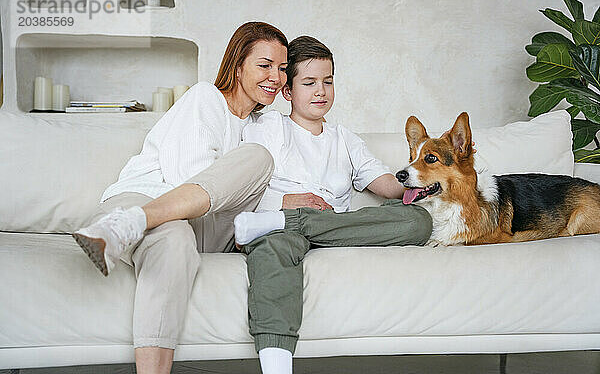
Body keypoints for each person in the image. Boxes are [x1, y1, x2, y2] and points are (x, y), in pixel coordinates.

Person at [72, 22, 288, 374]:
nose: (275, 78)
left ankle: (131, 224)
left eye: (281, 68)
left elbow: (252, 200)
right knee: (174, 242)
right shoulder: (207, 97)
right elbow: (184, 176)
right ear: (237, 65)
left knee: (258, 158)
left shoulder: (262, 128)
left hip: (195, 224)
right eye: (264, 65)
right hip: (142, 197)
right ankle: (128, 220)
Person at [234, 36, 433, 374]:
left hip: (331, 230)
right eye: (309, 83)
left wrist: (414, 183)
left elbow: (382, 184)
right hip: (276, 223)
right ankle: (277, 366)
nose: (321, 91)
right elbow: (242, 188)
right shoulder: (268, 127)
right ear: (287, 91)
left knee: (419, 222)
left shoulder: (345, 138)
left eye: (328, 81)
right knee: (273, 250)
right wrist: (284, 202)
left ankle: (296, 221)